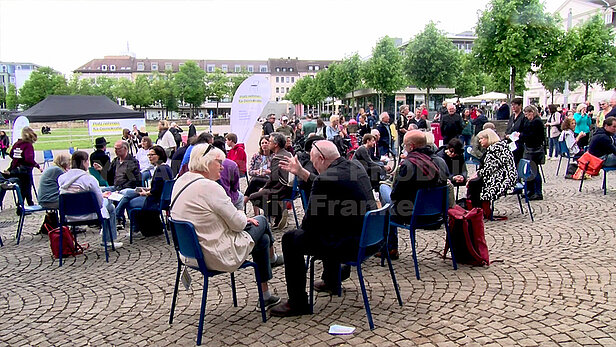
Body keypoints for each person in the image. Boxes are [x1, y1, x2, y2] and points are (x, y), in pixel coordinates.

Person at [270, 140, 376, 317]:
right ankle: (332, 281)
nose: (312, 166)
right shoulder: (354, 166)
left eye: (313, 162)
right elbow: (326, 182)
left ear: (321, 158)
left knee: (291, 239)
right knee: (332, 223)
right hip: (372, 239)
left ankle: (298, 302)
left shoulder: (325, 180)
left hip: (353, 245)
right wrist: (302, 173)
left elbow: (309, 226)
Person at [170, 143, 281, 310]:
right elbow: (238, 224)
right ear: (206, 163)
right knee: (262, 222)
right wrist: (244, 217)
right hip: (214, 254)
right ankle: (272, 260)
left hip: (189, 253)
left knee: (262, 239)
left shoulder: (180, 182)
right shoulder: (210, 187)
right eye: (219, 163)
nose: (222, 168)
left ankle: (265, 294)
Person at [379, 130, 447, 259]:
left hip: (412, 214)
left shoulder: (409, 164)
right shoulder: (440, 162)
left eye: (405, 146)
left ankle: (391, 246)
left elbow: (396, 195)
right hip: (437, 213)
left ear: (411, 146)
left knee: (383, 189)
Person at [58, 151, 122, 248]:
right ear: (84, 162)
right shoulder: (89, 179)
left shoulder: (61, 178)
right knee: (110, 207)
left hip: (69, 215)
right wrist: (102, 196)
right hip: (90, 214)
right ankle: (108, 240)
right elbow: (100, 203)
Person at [118, 145, 174, 233]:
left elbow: (156, 191)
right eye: (149, 155)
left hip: (156, 201)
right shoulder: (167, 168)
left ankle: (131, 226)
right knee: (126, 193)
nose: (150, 157)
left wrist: (145, 193)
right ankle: (120, 217)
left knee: (128, 200)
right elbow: (160, 186)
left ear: (159, 155)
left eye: (152, 155)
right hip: (163, 199)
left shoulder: (160, 169)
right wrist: (147, 189)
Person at [466, 129, 517, 216]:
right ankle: (479, 208)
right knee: (475, 182)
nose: (479, 140)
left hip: (504, 178)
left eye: (482, 138)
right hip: (500, 174)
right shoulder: (496, 147)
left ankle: (478, 210)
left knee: (474, 183)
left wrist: (475, 175)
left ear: (488, 138)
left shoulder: (496, 149)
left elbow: (488, 169)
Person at [248, 132, 292, 230]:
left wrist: (264, 188)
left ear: (276, 144)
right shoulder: (287, 154)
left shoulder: (277, 158)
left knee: (254, 197)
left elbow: (274, 178)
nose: (268, 144)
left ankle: (278, 214)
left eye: (270, 141)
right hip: (288, 187)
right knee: (257, 185)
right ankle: (277, 214)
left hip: (280, 189)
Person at [5, 127, 41, 206]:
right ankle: (20, 206)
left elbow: (11, 154)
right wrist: (37, 166)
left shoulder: (17, 143)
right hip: (24, 170)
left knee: (24, 187)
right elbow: (29, 159)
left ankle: (30, 203)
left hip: (14, 169)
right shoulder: (28, 145)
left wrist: (18, 159)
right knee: (26, 187)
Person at [520, 105, 545, 200]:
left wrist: (522, 135)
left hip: (535, 149)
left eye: (527, 114)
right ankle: (530, 190)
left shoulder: (536, 122)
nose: (526, 116)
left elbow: (532, 135)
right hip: (530, 147)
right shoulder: (530, 121)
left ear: (532, 113)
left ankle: (538, 192)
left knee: (534, 170)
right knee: (530, 170)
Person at [244, 136, 273, 215]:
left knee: (253, 183)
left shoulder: (273, 156)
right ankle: (257, 213)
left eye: (266, 143)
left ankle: (243, 202)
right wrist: (256, 172)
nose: (264, 145)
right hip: (257, 179)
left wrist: (269, 172)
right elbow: (250, 171)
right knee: (254, 187)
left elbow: (275, 173)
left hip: (268, 181)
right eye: (262, 143)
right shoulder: (256, 156)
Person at [212, 139, 244, 210]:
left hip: (212, 198)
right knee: (240, 197)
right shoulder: (230, 164)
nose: (221, 167)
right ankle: (239, 217)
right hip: (224, 197)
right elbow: (235, 186)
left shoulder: (206, 163)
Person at [505, 98, 526, 166]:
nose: (513, 107)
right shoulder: (512, 117)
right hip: (510, 142)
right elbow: (509, 128)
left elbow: (524, 130)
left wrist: (516, 135)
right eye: (512, 105)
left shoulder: (523, 117)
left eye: (515, 105)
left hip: (518, 143)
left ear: (520, 106)